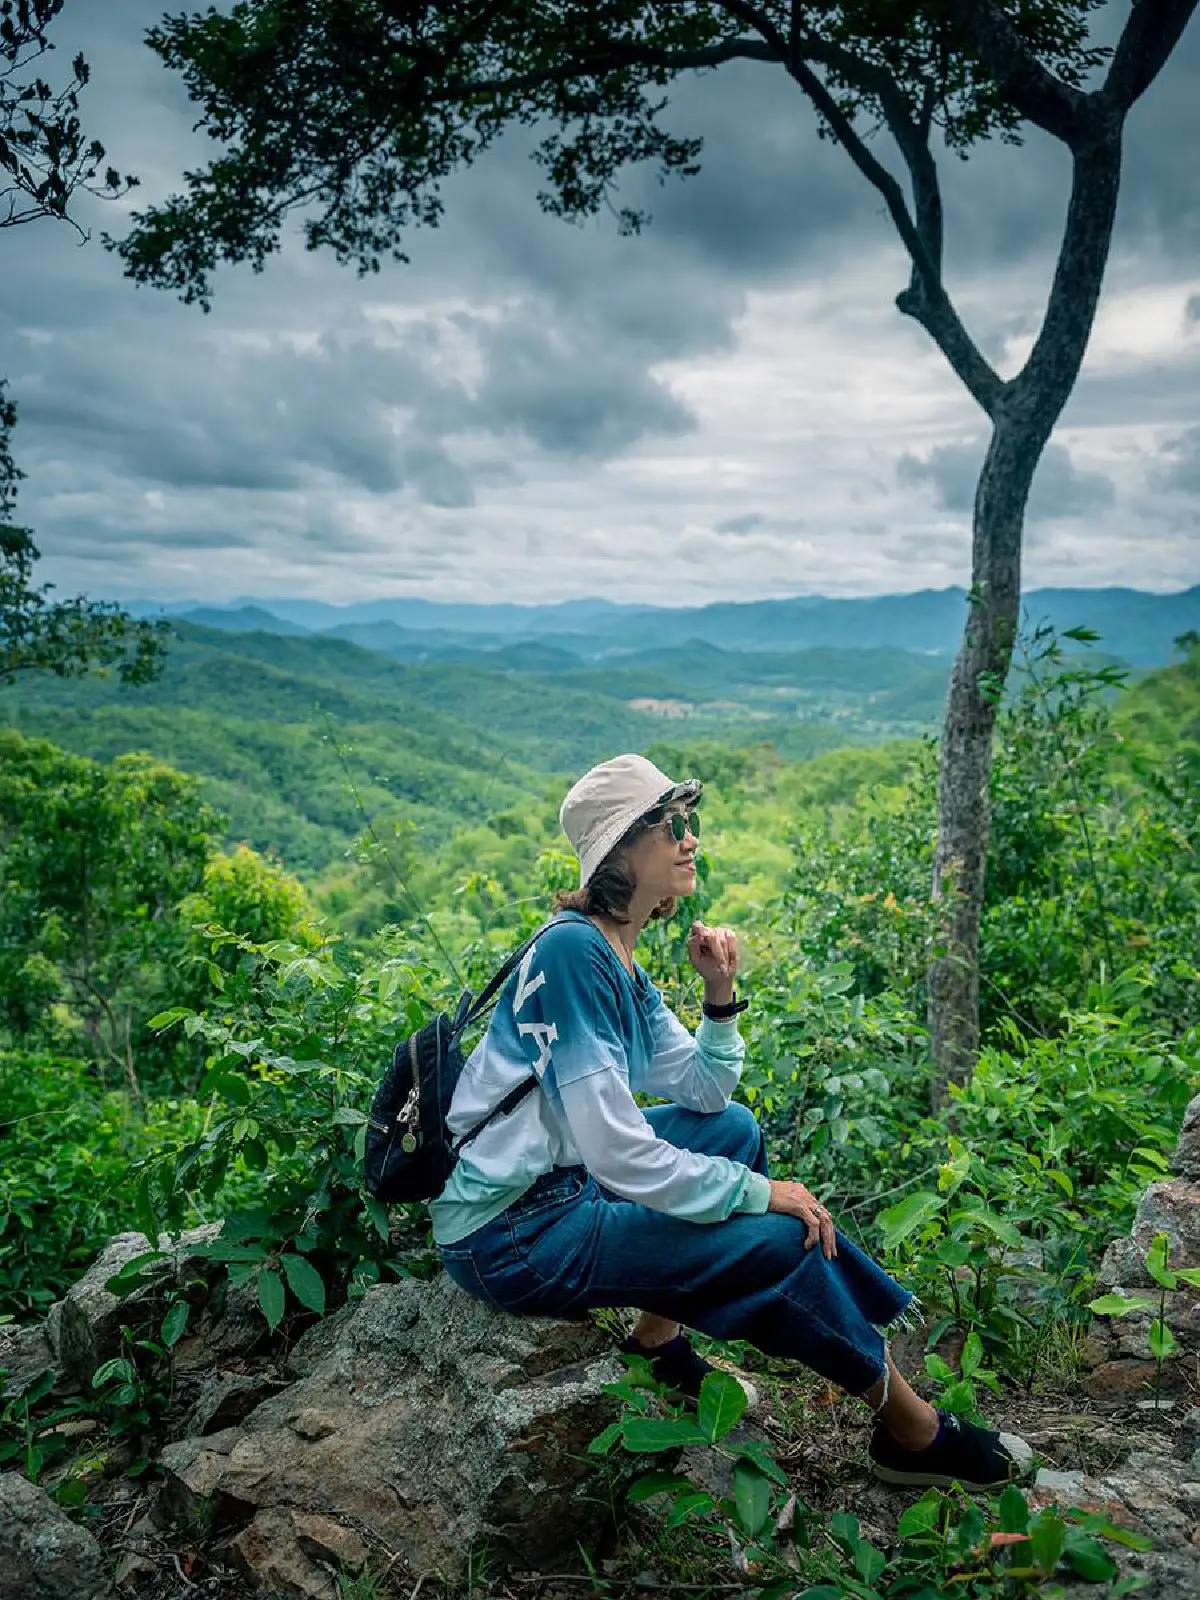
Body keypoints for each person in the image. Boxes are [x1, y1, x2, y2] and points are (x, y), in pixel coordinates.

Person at [432, 753, 1029, 1490]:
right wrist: (758, 1194)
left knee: (735, 1131)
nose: (690, 840)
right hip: (513, 1233)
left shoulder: (616, 958)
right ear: (619, 849)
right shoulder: (571, 955)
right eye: (669, 825)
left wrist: (720, 993)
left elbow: (704, 1092)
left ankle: (657, 1345)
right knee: (778, 1236)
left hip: (563, 1189)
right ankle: (914, 1433)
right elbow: (619, 1153)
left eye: (691, 823)